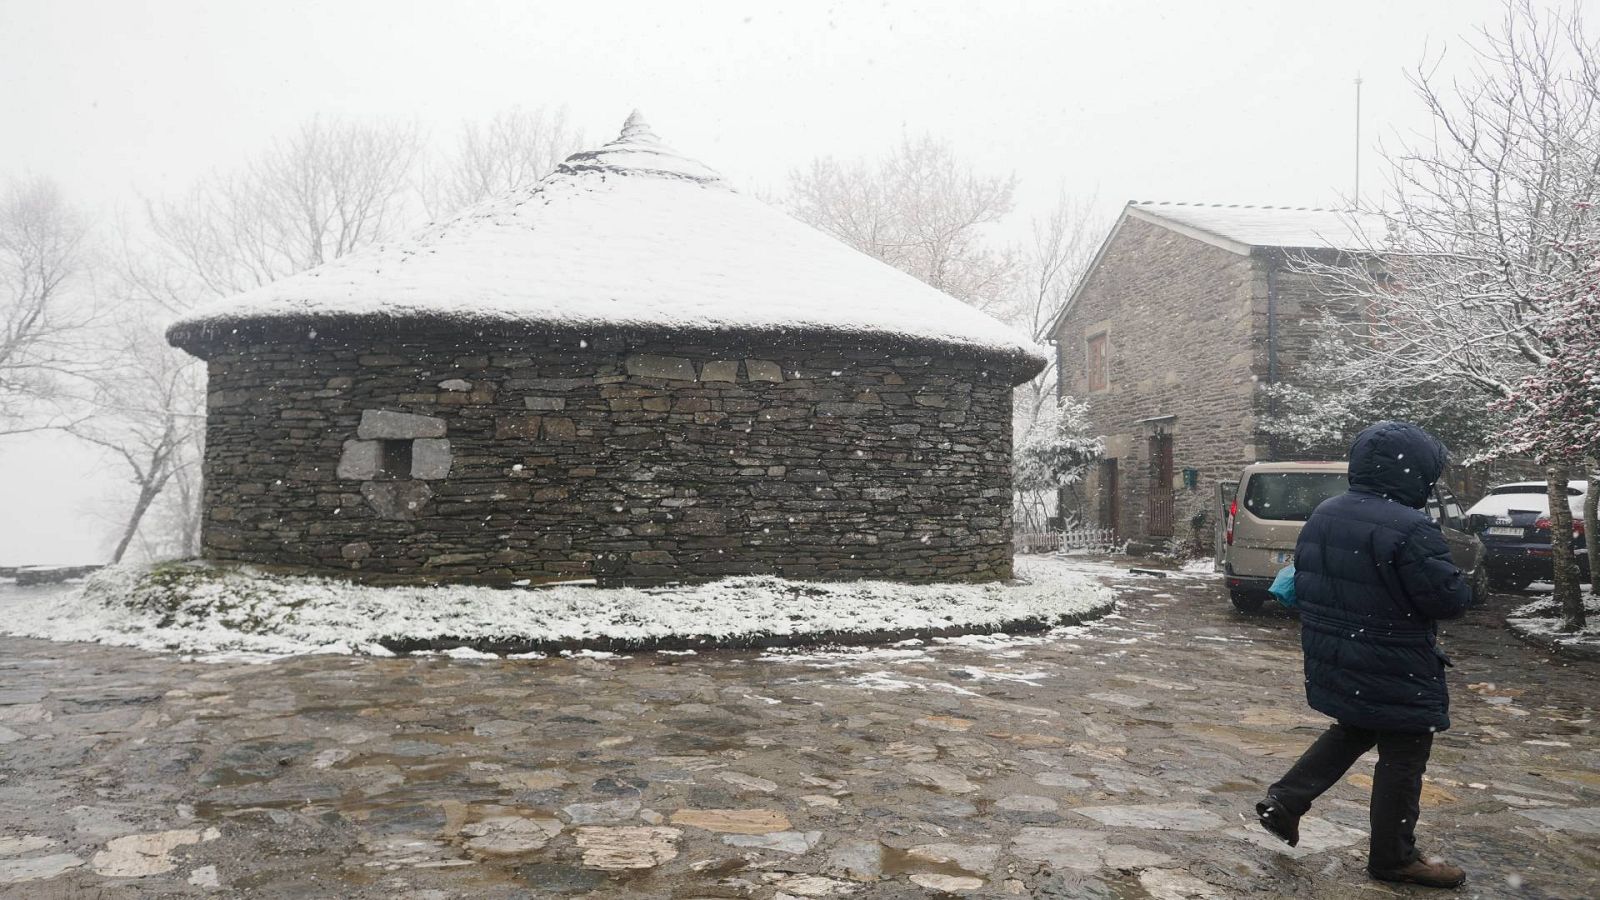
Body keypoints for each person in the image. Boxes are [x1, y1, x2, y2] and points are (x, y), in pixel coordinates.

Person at [1256, 421, 1472, 889]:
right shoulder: (1412, 526)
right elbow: (1447, 601)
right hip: (1395, 660)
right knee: (1405, 751)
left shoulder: (1326, 512)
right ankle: (1394, 859)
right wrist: (1460, 575)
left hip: (1339, 652)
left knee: (1354, 727)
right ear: (1417, 471)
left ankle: (1287, 800)